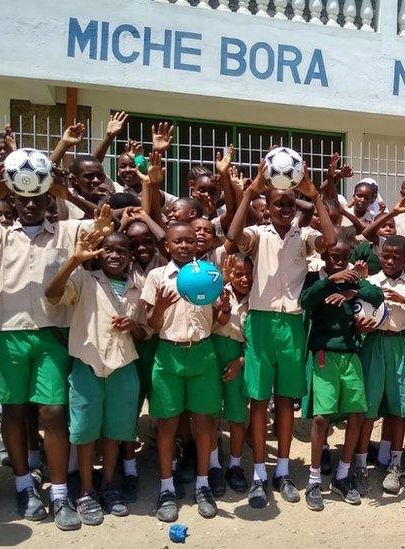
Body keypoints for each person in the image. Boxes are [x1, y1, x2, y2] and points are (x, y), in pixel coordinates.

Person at [0, 175, 112, 531]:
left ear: (47, 200)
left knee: (53, 412)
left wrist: (69, 195)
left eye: (38, 197)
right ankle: (25, 486)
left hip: (52, 334)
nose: (30, 204)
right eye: (22, 198)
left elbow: (105, 220)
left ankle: (58, 493)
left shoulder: (67, 231)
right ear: (14, 201)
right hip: (8, 333)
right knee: (13, 410)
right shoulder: (1, 234)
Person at [226, 157, 336, 508]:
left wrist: (315, 196)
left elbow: (331, 240)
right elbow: (231, 236)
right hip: (260, 322)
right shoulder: (258, 235)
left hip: (292, 323)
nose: (285, 208)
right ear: (267, 209)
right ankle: (259, 473)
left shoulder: (305, 236)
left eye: (289, 203)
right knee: (258, 400)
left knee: (286, 400)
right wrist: (250, 192)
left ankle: (283, 470)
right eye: (278, 204)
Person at [45, 231, 144, 524]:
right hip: (88, 364)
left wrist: (132, 326)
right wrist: (75, 260)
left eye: (122, 251)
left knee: (115, 431)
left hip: (123, 365)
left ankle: (109, 485)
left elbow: (143, 331)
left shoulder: (137, 286)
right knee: (86, 432)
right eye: (108, 250)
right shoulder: (84, 280)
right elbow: (52, 295)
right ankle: (86, 490)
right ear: (99, 253)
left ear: (130, 255)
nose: (115, 255)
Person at [140, 222, 225, 522]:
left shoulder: (210, 274)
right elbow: (151, 324)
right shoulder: (157, 276)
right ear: (167, 246)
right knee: (167, 424)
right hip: (169, 354)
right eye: (178, 241)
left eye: (190, 240)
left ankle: (203, 483)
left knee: (204, 423)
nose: (185, 246)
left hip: (202, 352)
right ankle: (166, 487)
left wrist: (224, 307)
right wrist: (160, 306)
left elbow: (218, 316)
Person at [299, 241, 383, 510]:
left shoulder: (353, 281)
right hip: (325, 354)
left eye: (345, 257)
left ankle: (343, 474)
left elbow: (377, 296)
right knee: (322, 417)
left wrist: (352, 291)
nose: (340, 261)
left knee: (357, 412)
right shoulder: (316, 278)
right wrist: (330, 281)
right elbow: (305, 300)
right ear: (325, 255)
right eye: (335, 256)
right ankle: (313, 480)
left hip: (351, 355)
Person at [359, 235, 405, 494]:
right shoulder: (371, 282)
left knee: (399, 407)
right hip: (375, 343)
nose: (389, 261)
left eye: (395, 257)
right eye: (385, 256)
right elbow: (360, 314)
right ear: (380, 256)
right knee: (368, 406)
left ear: (404, 259)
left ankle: (395, 465)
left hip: (401, 344)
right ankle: (359, 464)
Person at [209, 254, 253, 496]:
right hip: (213, 351)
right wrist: (223, 305)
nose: (244, 279)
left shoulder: (257, 299)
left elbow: (257, 341)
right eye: (238, 274)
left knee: (237, 415)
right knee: (212, 413)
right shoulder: (218, 291)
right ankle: (213, 464)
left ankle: (235, 465)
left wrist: (240, 361)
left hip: (239, 355)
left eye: (249, 274)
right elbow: (214, 319)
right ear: (229, 273)